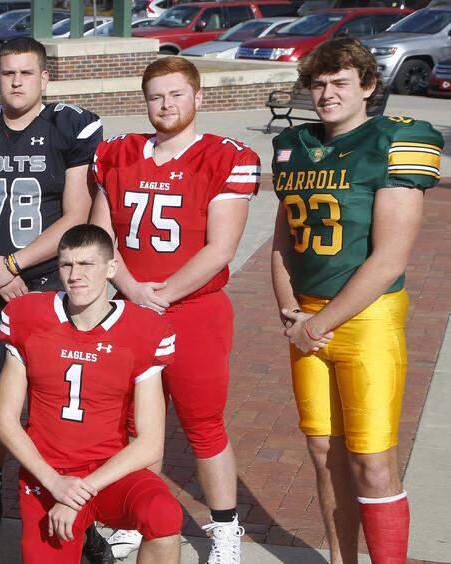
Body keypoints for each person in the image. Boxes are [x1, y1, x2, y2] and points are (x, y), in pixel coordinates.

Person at [269, 38, 442, 564]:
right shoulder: (294, 145)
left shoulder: (397, 139)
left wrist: (317, 323)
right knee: (323, 453)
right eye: (318, 83)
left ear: (369, 86)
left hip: (366, 318)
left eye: (340, 82)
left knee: (372, 459)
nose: (327, 93)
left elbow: (389, 258)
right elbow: (282, 242)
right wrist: (291, 312)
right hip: (307, 317)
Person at [89, 56, 260, 562]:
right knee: (131, 423)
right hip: (131, 306)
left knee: (203, 422)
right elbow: (102, 237)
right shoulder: (119, 154)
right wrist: (129, 286)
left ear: (198, 97)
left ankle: (226, 528)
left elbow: (220, 249)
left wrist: (156, 294)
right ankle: (131, 515)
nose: (165, 105)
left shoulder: (224, 157)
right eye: (156, 96)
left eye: (176, 94)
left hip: (194, 310)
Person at [0, 36, 104, 541]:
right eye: (8, 72)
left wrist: (12, 263)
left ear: (45, 77)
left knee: (58, 394)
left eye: (26, 73)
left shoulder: (70, 125)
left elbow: (76, 215)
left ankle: (72, 496)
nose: (16, 82)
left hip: (54, 281)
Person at [0, 224, 182, 564]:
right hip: (47, 474)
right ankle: (84, 538)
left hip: (108, 473)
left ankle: (87, 530)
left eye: (86, 265)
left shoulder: (142, 330)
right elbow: (4, 420)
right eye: (66, 265)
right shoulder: (29, 317)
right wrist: (55, 483)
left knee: (165, 515)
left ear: (111, 269)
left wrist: (77, 494)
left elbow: (150, 442)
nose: (75, 275)